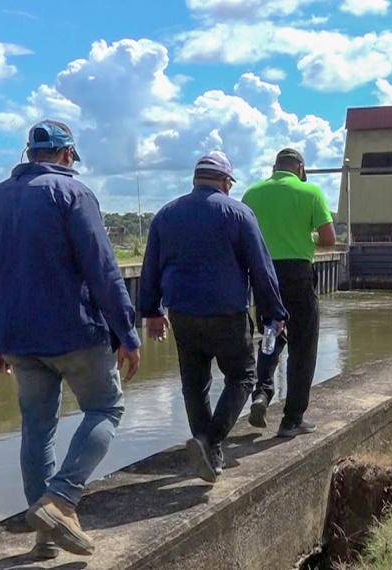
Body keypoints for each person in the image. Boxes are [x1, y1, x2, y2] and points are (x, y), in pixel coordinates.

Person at [0, 120, 141, 559]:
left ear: (29, 153)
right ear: (68, 155)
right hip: (74, 331)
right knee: (106, 407)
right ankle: (61, 498)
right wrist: (126, 331)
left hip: (17, 337)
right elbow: (102, 269)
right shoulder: (74, 194)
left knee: (37, 428)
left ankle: (45, 536)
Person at [138, 151, 287, 483]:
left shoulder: (165, 215)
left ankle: (208, 453)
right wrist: (275, 313)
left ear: (195, 179)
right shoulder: (239, 214)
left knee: (194, 382)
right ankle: (211, 440)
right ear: (225, 181)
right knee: (243, 376)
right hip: (226, 313)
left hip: (182, 314)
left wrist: (151, 310)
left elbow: (151, 266)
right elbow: (262, 269)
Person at [240, 148, 336, 438]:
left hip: (265, 276)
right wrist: (302, 241)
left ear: (274, 168)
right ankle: (292, 419)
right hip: (298, 275)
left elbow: (243, 237)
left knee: (271, 334)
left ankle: (262, 392)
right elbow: (329, 239)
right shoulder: (311, 192)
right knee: (303, 345)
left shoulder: (251, 194)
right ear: (301, 169)